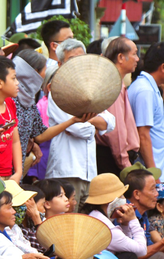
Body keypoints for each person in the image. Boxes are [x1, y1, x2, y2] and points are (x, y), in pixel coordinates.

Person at [46, 47, 115, 211]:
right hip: (67, 171)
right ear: (60, 63)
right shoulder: (57, 93)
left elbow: (110, 122)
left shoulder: (89, 92)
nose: (77, 64)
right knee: (69, 227)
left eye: (81, 59)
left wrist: (86, 120)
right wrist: (94, 125)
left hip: (89, 172)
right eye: (72, 59)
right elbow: (79, 130)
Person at [12, 50, 92, 172]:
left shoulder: (29, 101)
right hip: (2, 171)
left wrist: (73, 120)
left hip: (18, 171)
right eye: (44, 69)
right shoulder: (10, 100)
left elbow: (40, 135)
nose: (45, 74)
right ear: (33, 73)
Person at [128, 42, 164, 182]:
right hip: (148, 173)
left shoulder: (149, 87)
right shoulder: (145, 90)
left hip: (154, 168)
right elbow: (143, 135)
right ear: (163, 67)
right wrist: (153, 174)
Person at [96, 37, 141, 175]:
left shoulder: (115, 82)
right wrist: (125, 163)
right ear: (121, 57)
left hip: (113, 156)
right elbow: (116, 131)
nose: (137, 59)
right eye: (134, 54)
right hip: (113, 159)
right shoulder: (113, 84)